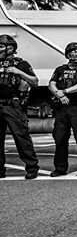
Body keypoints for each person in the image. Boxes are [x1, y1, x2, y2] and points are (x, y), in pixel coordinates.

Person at [48, 42, 77, 177]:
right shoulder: (60, 69)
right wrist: (59, 94)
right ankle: (60, 168)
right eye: (74, 52)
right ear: (68, 54)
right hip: (61, 109)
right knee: (60, 139)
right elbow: (51, 84)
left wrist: (64, 92)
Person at [0, 34, 39, 179]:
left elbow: (35, 82)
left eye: (3, 46)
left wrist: (18, 72)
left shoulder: (20, 63)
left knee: (21, 137)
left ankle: (31, 168)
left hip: (13, 106)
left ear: (12, 48)